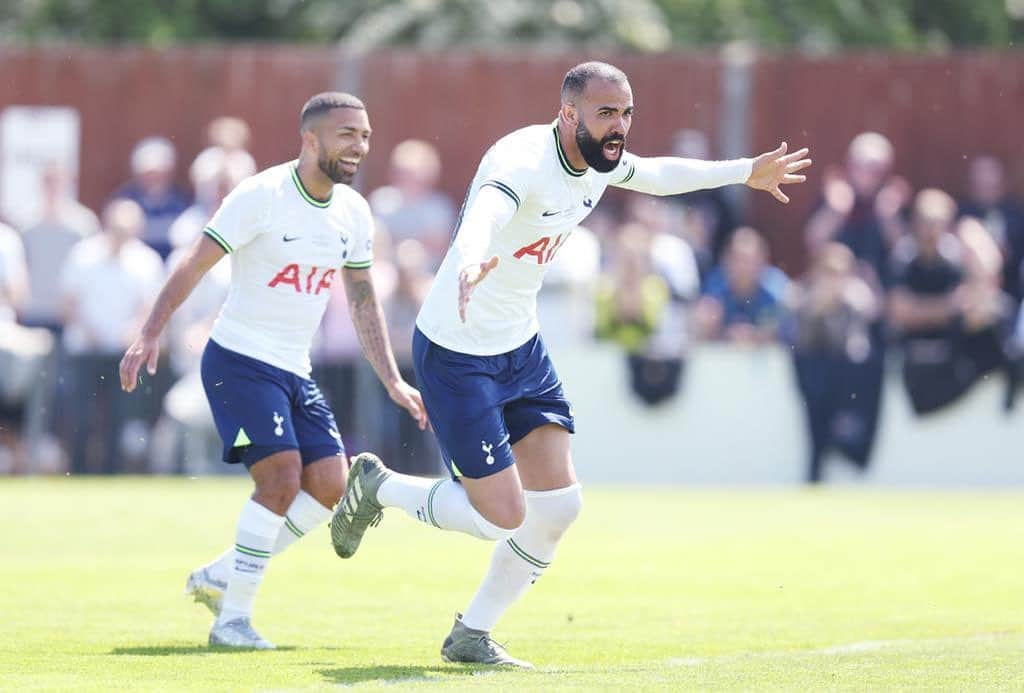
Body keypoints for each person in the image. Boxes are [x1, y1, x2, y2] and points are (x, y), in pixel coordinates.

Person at [329, 61, 811, 668]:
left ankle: (471, 634)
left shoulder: (600, 162)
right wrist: (473, 257)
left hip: (520, 346)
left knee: (559, 507)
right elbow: (484, 212)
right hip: (458, 350)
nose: (620, 127)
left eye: (627, 113)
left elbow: (658, 175)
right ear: (569, 114)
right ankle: (380, 486)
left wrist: (745, 171)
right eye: (607, 113)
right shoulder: (521, 159)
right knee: (500, 516)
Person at [119, 92, 426, 650]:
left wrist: (392, 379)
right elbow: (194, 262)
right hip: (237, 360)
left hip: (293, 367)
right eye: (346, 135)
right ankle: (232, 621)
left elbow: (362, 299)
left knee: (331, 486)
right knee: (281, 478)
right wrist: (150, 330)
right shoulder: (261, 194)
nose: (359, 146)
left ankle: (220, 574)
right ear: (310, 139)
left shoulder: (354, 213)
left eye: (364, 135)